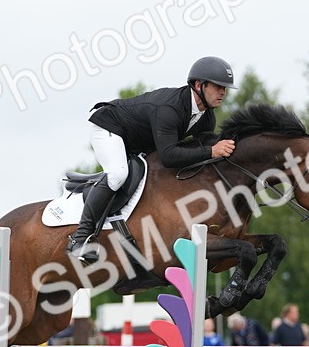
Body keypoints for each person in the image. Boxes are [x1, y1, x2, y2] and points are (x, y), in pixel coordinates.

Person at [67, 56, 237, 262]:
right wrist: (212, 151)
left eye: (225, 88)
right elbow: (169, 156)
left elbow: (200, 154)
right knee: (118, 175)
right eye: (218, 87)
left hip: (138, 142)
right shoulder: (170, 109)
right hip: (110, 126)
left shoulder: (206, 117)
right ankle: (80, 239)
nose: (223, 93)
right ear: (199, 85)